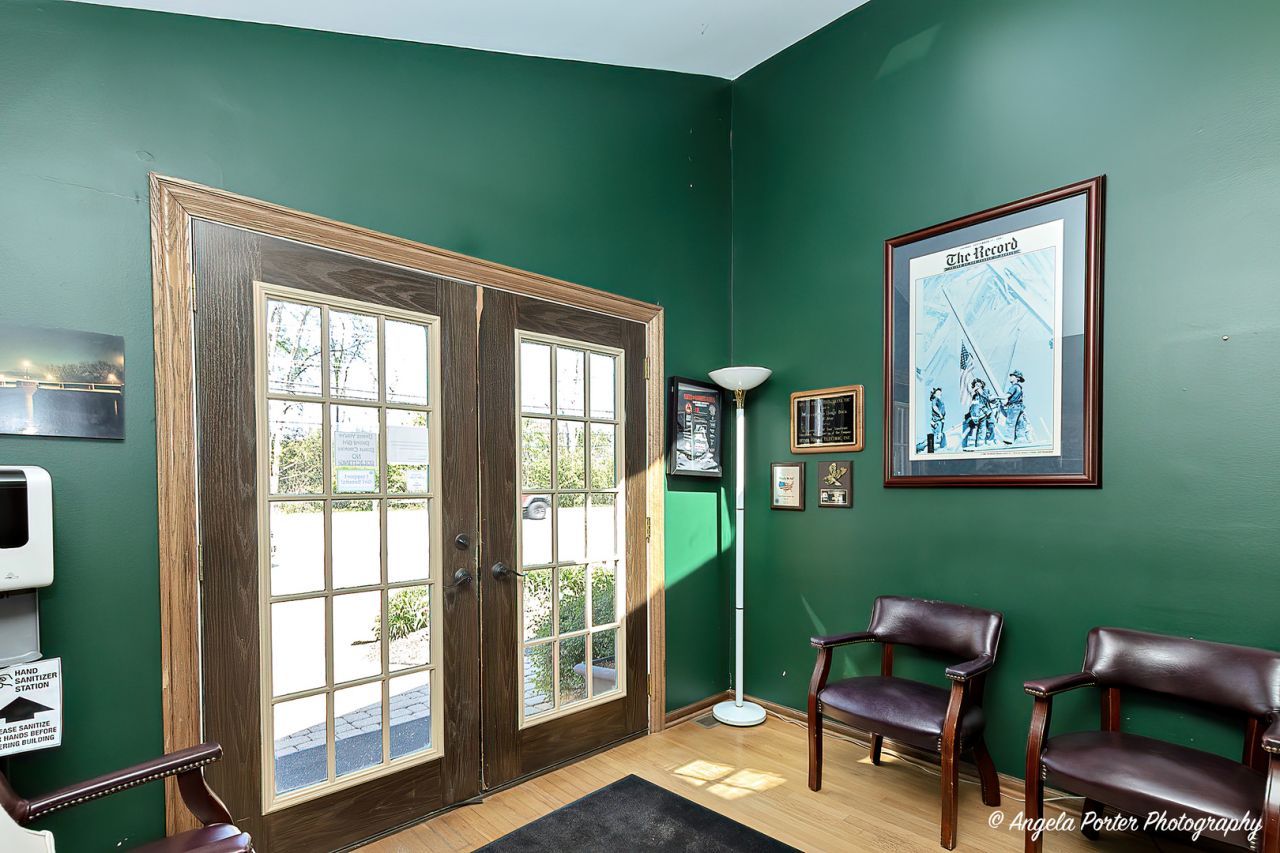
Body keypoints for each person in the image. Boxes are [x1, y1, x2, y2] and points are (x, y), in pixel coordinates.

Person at [962, 379, 989, 448]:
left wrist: (979, 390)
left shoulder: (985, 391)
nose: (977, 385)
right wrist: (974, 389)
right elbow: (970, 393)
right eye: (975, 384)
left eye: (978, 384)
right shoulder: (974, 394)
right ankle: (971, 445)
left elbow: (986, 397)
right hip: (975, 415)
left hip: (983, 414)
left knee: (982, 430)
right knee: (973, 430)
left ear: (981, 384)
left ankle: (980, 445)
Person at [1005, 369, 1028, 443]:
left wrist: (996, 397)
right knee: (1020, 423)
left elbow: (1006, 396)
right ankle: (1021, 438)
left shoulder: (1014, 387)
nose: (1010, 377)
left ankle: (1009, 438)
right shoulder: (1020, 388)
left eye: (1012, 376)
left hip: (1013, 407)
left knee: (1010, 422)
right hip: (1020, 407)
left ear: (1017, 378)